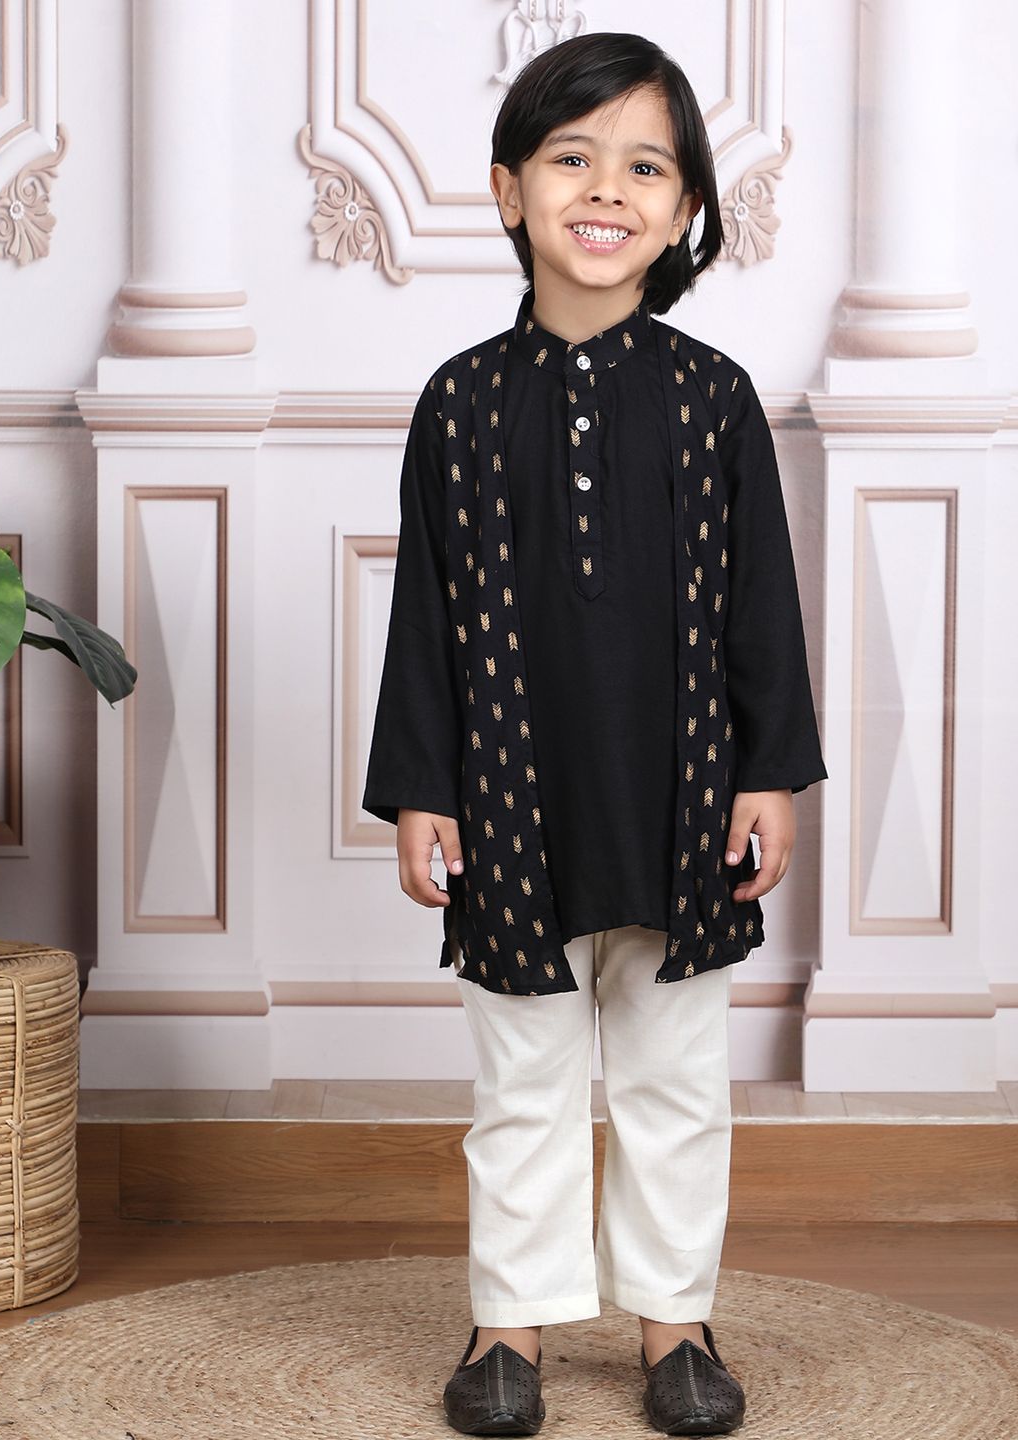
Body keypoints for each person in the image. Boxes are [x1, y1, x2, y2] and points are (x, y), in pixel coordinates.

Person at [363, 31, 825, 1437]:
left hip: (683, 804)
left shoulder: (712, 400)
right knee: (523, 1082)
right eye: (573, 158)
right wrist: (423, 789)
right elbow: (428, 614)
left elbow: (761, 603)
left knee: (677, 1080)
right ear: (511, 191)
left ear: (684, 211)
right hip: (512, 802)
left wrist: (769, 772)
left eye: (645, 166)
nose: (607, 189)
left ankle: (675, 1323)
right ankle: (508, 1326)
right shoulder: (459, 404)